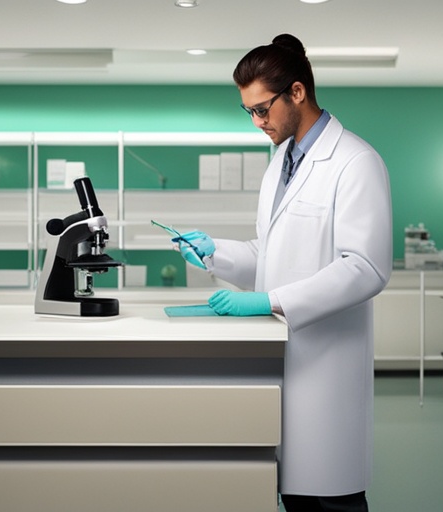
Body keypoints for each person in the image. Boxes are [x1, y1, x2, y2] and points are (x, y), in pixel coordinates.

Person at [172, 34, 392, 512]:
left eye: (262, 109)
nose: (257, 122)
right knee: (296, 495)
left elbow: (366, 267)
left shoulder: (355, 161)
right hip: (281, 355)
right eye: (248, 112)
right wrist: (215, 254)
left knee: (332, 496)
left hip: (327, 361)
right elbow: (269, 252)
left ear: (296, 92)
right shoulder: (281, 162)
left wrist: (272, 301)